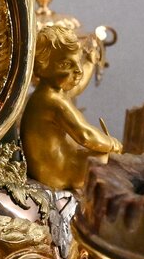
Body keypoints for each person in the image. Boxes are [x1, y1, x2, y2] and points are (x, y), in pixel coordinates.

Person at [21, 24, 121, 191]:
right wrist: (112, 144)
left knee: (96, 153)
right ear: (41, 68)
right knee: (105, 157)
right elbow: (85, 135)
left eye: (78, 61)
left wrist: (90, 61)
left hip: (55, 164)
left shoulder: (51, 91)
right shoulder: (53, 101)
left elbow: (77, 86)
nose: (78, 70)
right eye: (66, 64)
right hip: (56, 173)